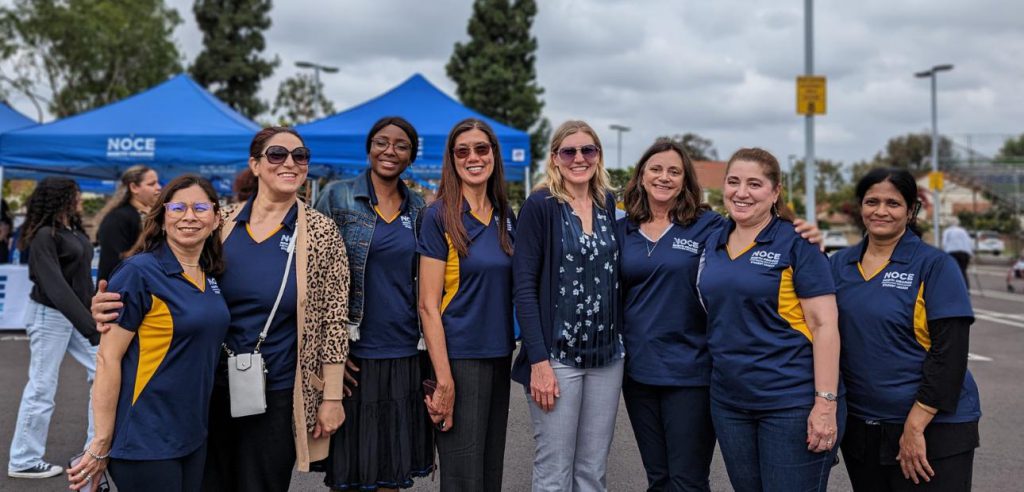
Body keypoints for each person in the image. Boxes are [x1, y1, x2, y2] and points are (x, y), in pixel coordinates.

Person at [92, 127, 351, 491]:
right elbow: (159, 276)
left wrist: (332, 396)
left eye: (300, 156)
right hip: (203, 390)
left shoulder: (322, 233)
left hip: (274, 392)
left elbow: (334, 319)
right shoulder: (219, 222)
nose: (290, 163)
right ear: (255, 165)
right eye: (277, 154)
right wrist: (110, 302)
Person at [66, 175, 230, 491]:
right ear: (162, 216)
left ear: (216, 218)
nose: (189, 216)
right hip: (145, 439)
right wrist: (100, 442)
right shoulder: (138, 272)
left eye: (200, 207)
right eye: (178, 207)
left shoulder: (208, 273)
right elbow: (107, 360)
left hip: (192, 434)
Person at [696, 148, 842, 492]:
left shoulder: (798, 243)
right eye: (733, 182)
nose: (741, 192)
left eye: (754, 184)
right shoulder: (715, 240)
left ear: (775, 192)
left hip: (789, 402)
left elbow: (825, 326)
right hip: (730, 402)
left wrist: (825, 404)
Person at [832, 168, 980, 491]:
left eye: (893, 203)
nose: (881, 211)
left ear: (911, 210)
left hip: (933, 427)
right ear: (860, 206)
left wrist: (915, 426)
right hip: (863, 427)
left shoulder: (935, 266)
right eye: (872, 201)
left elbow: (950, 354)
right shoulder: (838, 264)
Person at [313, 116, 434, 490]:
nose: (390, 151)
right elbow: (312, 277)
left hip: (405, 353)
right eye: (382, 142)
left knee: (391, 471)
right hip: (354, 355)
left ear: (411, 157)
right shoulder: (337, 196)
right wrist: (329, 353)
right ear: (369, 148)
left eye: (401, 145)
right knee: (352, 472)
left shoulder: (419, 209)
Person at [514, 120, 623, 491]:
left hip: (607, 357)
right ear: (555, 158)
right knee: (554, 471)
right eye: (569, 151)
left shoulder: (607, 202)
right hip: (557, 359)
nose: (579, 158)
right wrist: (538, 362)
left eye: (588, 150)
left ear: (598, 156)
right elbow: (524, 288)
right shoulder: (540, 205)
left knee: (593, 470)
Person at [417, 118, 516, 491]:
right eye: (463, 151)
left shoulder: (506, 217)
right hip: (458, 358)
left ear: (493, 155)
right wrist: (443, 380)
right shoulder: (439, 216)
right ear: (452, 159)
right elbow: (427, 305)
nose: (473, 157)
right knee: (462, 480)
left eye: (481, 149)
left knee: (490, 473)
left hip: (498, 354)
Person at [8, 177, 99, 480]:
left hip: (72, 316)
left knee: (103, 372)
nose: (80, 199)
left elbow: (79, 283)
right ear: (60, 198)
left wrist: (89, 318)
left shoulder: (70, 230)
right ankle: (23, 458)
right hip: (49, 315)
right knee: (42, 386)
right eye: (75, 195)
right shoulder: (44, 236)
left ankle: (93, 449)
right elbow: (56, 287)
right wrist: (91, 327)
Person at [96, 165, 162, 282]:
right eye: (151, 184)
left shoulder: (150, 215)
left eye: (158, 183)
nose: (158, 188)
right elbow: (114, 262)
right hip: (120, 291)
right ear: (134, 187)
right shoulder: (118, 217)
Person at [941, 218, 973, 289]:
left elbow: (944, 243)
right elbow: (969, 242)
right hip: (964, 253)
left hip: (952, 253)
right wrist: (970, 254)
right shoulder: (963, 231)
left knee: (952, 272)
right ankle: (966, 288)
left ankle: (954, 288)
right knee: (963, 270)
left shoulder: (947, 231)